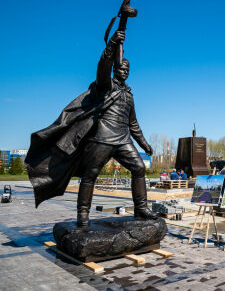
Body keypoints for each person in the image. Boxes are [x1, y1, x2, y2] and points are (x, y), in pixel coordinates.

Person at [25, 30, 157, 226]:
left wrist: (144, 144)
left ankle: (141, 209)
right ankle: (83, 214)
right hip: (101, 137)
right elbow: (103, 67)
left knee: (138, 167)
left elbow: (133, 123)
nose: (125, 71)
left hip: (123, 139)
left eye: (128, 69)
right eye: (121, 68)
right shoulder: (105, 86)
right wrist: (112, 44)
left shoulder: (129, 95)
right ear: (115, 69)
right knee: (91, 174)